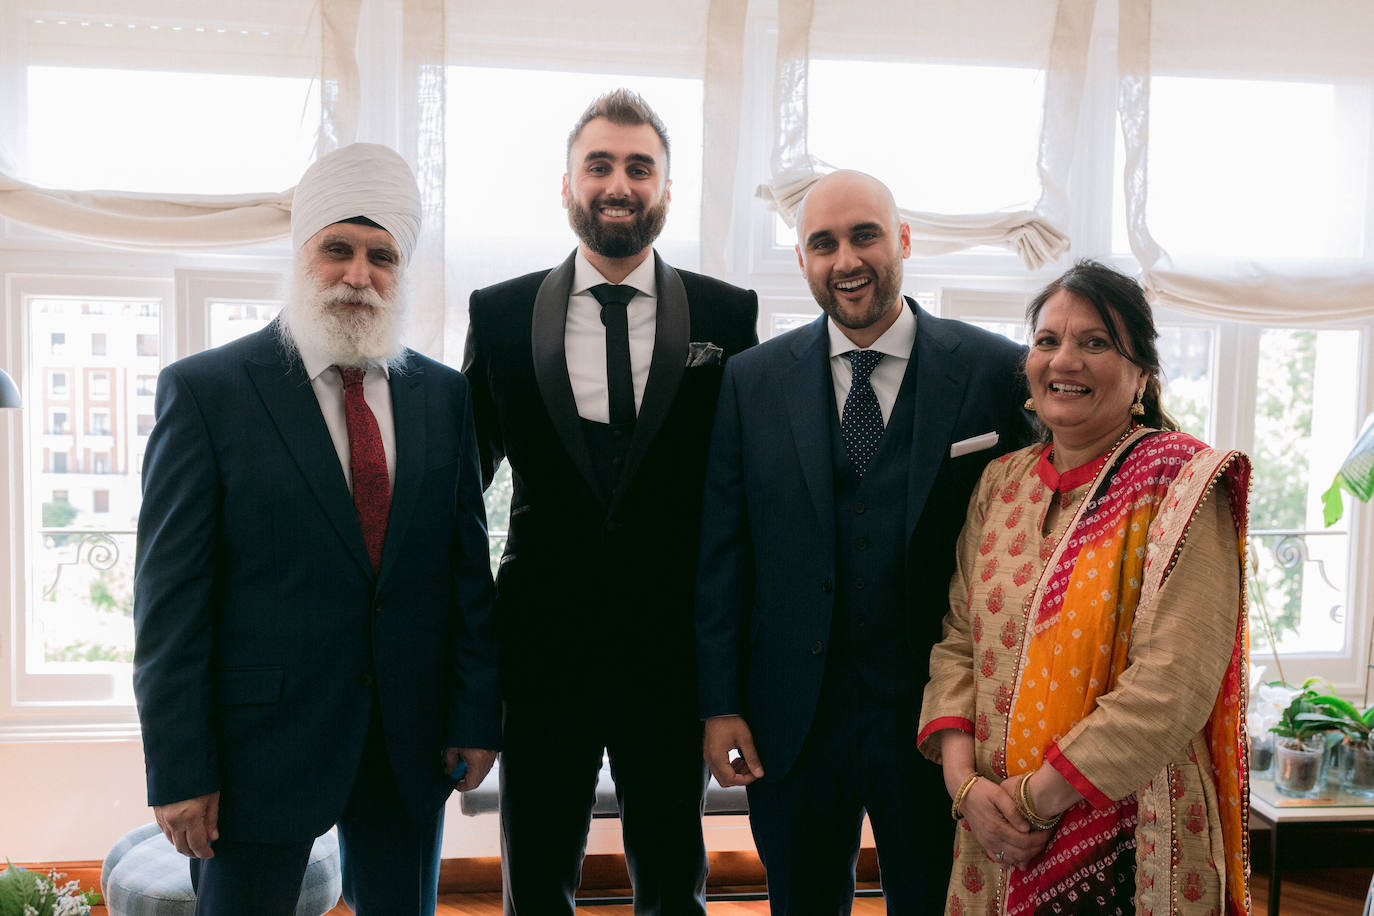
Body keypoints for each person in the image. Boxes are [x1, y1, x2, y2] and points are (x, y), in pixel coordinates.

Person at [132, 142, 501, 916]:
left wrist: (474, 715)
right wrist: (179, 768)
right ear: (301, 254)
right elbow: (169, 606)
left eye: (381, 256)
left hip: (408, 742)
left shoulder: (442, 397)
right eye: (338, 249)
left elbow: (465, 569)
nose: (358, 276)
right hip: (256, 753)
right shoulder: (207, 393)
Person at [694, 169, 1034, 914]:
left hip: (937, 722)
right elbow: (723, 552)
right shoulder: (750, 382)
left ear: (903, 240)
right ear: (802, 262)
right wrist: (720, 703)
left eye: (864, 235)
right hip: (790, 719)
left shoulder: (993, 371)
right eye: (823, 244)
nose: (845, 259)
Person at [462, 89, 759, 915]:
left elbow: (746, 496)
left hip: (671, 654)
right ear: (567, 186)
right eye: (599, 165)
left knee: (672, 878)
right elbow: (459, 490)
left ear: (665, 189)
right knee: (537, 875)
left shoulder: (728, 316)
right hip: (540, 651)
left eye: (639, 167)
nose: (618, 183)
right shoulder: (501, 312)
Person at [917, 260, 1252, 915]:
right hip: (992, 830)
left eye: (1094, 342)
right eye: (1048, 341)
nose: (1063, 359)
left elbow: (1174, 682)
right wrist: (966, 788)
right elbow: (959, 637)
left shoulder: (1180, 488)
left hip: (1132, 834)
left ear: (1142, 376)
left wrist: (1034, 800)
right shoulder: (1002, 483)